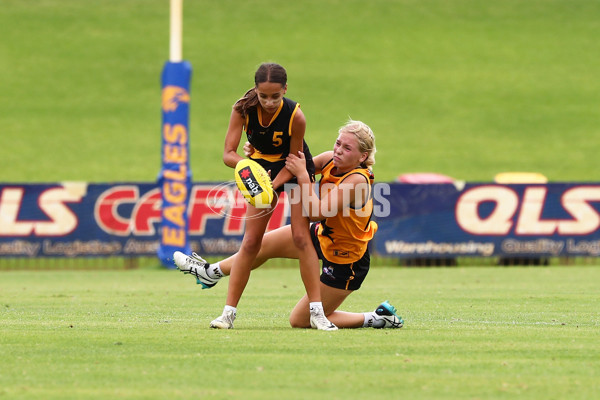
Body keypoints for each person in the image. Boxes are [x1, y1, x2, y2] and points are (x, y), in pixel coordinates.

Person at [174, 120, 404, 329]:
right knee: (261, 246)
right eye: (338, 143)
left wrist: (303, 177)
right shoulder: (329, 161)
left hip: (346, 258)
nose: (338, 151)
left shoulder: (357, 180)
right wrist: (257, 157)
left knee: (300, 320)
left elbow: (315, 211)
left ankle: (377, 318)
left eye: (347, 149)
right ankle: (209, 272)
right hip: (322, 236)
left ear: (362, 157)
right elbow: (290, 166)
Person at [183, 62, 335, 330]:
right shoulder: (242, 109)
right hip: (261, 167)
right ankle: (227, 314)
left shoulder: (296, 116)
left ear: (285, 90)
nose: (269, 101)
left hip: (294, 167)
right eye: (263, 96)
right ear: (256, 90)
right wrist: (249, 168)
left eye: (275, 96)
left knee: (301, 237)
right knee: (251, 242)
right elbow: (228, 153)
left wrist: (271, 185)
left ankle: (317, 312)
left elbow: (294, 159)